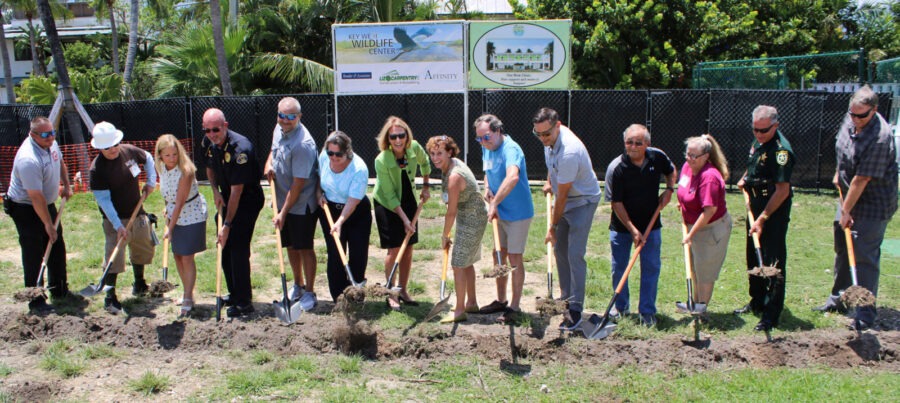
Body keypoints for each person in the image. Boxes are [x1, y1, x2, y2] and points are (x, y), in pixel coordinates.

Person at [815, 86, 898, 330]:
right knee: (843, 247)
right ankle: (839, 299)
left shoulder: (881, 137)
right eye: (852, 113)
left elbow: (861, 180)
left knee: (863, 255)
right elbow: (844, 150)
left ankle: (864, 313)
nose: (855, 119)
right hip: (848, 195)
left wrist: (846, 211)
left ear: (874, 111)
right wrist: (837, 174)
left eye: (861, 115)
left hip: (872, 203)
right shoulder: (851, 118)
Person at [534, 108, 602, 331]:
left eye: (547, 134)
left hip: (582, 200)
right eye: (539, 134)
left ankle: (575, 308)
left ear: (558, 126)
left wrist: (552, 226)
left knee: (574, 253)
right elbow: (554, 167)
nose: (543, 139)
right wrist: (549, 181)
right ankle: (564, 298)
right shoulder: (550, 142)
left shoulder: (570, 151)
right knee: (559, 250)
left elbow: (562, 197)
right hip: (565, 195)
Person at [604, 124, 676, 328]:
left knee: (651, 267)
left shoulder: (657, 157)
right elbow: (616, 203)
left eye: (638, 143)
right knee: (619, 268)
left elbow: (671, 171)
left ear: (647, 144)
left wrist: (670, 189)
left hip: (651, 225)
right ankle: (621, 309)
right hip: (622, 227)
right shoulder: (616, 168)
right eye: (629, 142)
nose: (633, 146)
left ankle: (647, 312)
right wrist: (633, 230)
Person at [733, 105, 794, 333]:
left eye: (764, 131)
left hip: (773, 211)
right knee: (753, 255)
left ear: (776, 125)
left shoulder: (781, 151)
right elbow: (755, 167)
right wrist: (744, 179)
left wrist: (763, 218)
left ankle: (771, 314)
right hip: (755, 205)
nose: (759, 135)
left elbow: (782, 190)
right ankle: (757, 300)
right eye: (755, 130)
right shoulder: (758, 142)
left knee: (773, 261)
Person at [5, 116, 73, 312]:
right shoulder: (28, 159)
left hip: (47, 202)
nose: (51, 137)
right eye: (45, 135)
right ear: (32, 135)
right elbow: (36, 197)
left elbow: (60, 162)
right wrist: (48, 225)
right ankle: (36, 299)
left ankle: (59, 290)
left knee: (56, 245)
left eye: (52, 133)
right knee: (34, 250)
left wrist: (66, 186)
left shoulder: (52, 144)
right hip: (24, 207)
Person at [89, 121, 157, 314]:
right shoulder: (97, 170)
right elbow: (104, 201)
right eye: (107, 147)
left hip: (137, 211)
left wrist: (151, 181)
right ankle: (110, 296)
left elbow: (149, 158)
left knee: (142, 247)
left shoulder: (128, 151)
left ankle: (140, 283)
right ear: (100, 148)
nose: (112, 149)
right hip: (114, 219)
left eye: (115, 144)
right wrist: (118, 225)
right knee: (114, 255)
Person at [203, 108, 265, 318]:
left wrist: (227, 225)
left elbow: (238, 192)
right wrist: (214, 191)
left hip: (247, 200)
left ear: (225, 126)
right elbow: (209, 167)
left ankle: (244, 302)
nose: (212, 134)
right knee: (224, 247)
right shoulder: (210, 142)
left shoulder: (241, 150)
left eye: (216, 129)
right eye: (208, 130)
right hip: (226, 195)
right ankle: (233, 292)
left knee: (237, 246)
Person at [473, 114, 534, 323]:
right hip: (499, 208)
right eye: (479, 139)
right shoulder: (486, 146)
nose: (483, 142)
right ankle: (501, 300)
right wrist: (488, 189)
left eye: (486, 137)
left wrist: (494, 202)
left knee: (515, 258)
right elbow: (487, 172)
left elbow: (513, 177)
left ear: (498, 131)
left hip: (517, 212)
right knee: (498, 254)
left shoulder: (511, 149)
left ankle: (515, 307)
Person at [264, 97, 319, 308]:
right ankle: (298, 284)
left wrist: (283, 212)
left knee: (304, 247)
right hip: (281, 201)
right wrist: (269, 164)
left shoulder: (303, 144)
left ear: (299, 117)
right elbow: (272, 150)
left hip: (300, 204)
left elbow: (298, 185)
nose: (285, 120)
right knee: (290, 246)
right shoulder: (278, 129)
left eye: (290, 117)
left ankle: (310, 293)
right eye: (281, 115)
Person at [426, 135, 487, 324]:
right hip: (467, 214)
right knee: (466, 261)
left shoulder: (454, 176)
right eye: (432, 153)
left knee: (458, 263)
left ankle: (460, 310)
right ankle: (471, 302)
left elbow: (450, 212)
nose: (435, 158)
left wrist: (445, 235)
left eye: (440, 153)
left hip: (473, 218)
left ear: (450, 152)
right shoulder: (449, 166)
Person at [372, 116, 430, 310]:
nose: (398, 140)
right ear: (387, 139)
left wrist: (426, 186)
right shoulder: (382, 160)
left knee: (409, 248)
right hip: (387, 205)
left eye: (401, 135)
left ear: (407, 135)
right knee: (395, 248)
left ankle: (403, 289)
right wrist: (405, 219)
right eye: (393, 136)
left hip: (409, 200)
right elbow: (388, 194)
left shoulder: (414, 148)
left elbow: (425, 162)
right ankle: (390, 292)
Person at [675, 134, 732, 317]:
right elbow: (685, 189)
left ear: (706, 156)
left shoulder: (710, 177)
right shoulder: (687, 167)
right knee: (693, 268)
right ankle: (694, 304)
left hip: (710, 229)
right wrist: (682, 203)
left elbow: (709, 211)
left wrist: (691, 235)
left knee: (705, 271)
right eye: (687, 154)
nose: (689, 159)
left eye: (694, 156)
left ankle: (701, 308)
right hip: (693, 226)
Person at [155, 134, 208, 316]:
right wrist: (166, 210)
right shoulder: (161, 168)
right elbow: (168, 195)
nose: (171, 159)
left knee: (186, 257)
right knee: (178, 256)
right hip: (174, 214)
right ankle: (189, 292)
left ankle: (187, 296)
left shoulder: (186, 170)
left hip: (190, 214)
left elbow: (180, 201)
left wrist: (170, 228)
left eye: (174, 154)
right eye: (167, 155)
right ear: (160, 155)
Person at [317, 131, 372, 302]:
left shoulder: (359, 169)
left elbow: (353, 201)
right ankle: (338, 298)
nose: (333, 157)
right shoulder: (325, 157)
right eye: (330, 153)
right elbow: (317, 179)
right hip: (329, 209)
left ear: (347, 152)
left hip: (356, 212)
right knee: (335, 254)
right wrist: (319, 194)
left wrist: (340, 222)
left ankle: (356, 294)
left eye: (338, 154)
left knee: (358, 252)